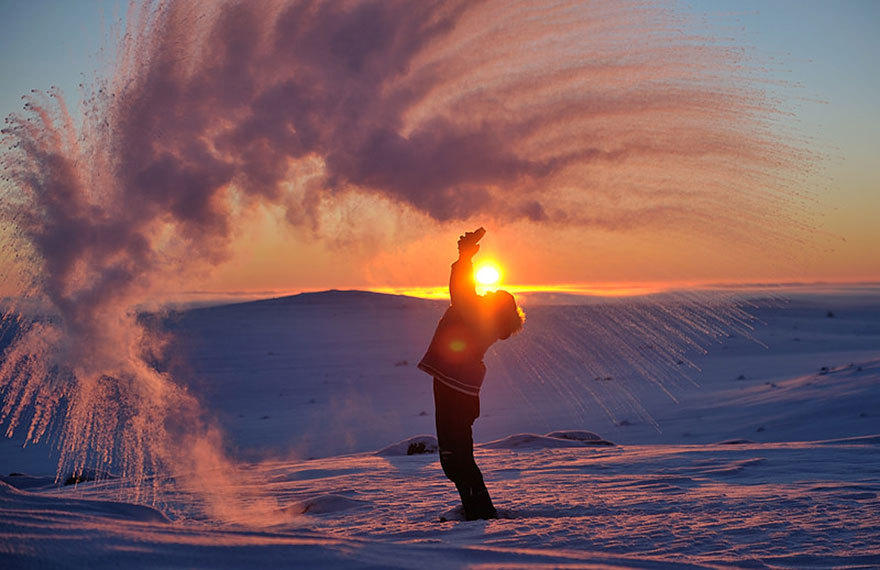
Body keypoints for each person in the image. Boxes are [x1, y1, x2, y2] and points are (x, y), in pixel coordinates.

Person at [418, 227, 524, 520]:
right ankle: (477, 510)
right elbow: (467, 294)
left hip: (455, 390)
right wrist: (465, 258)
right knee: (457, 458)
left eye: (490, 294)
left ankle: (480, 513)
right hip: (458, 389)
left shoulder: (476, 317)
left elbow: (462, 292)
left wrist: (464, 258)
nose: (485, 292)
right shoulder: (481, 318)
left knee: (456, 460)